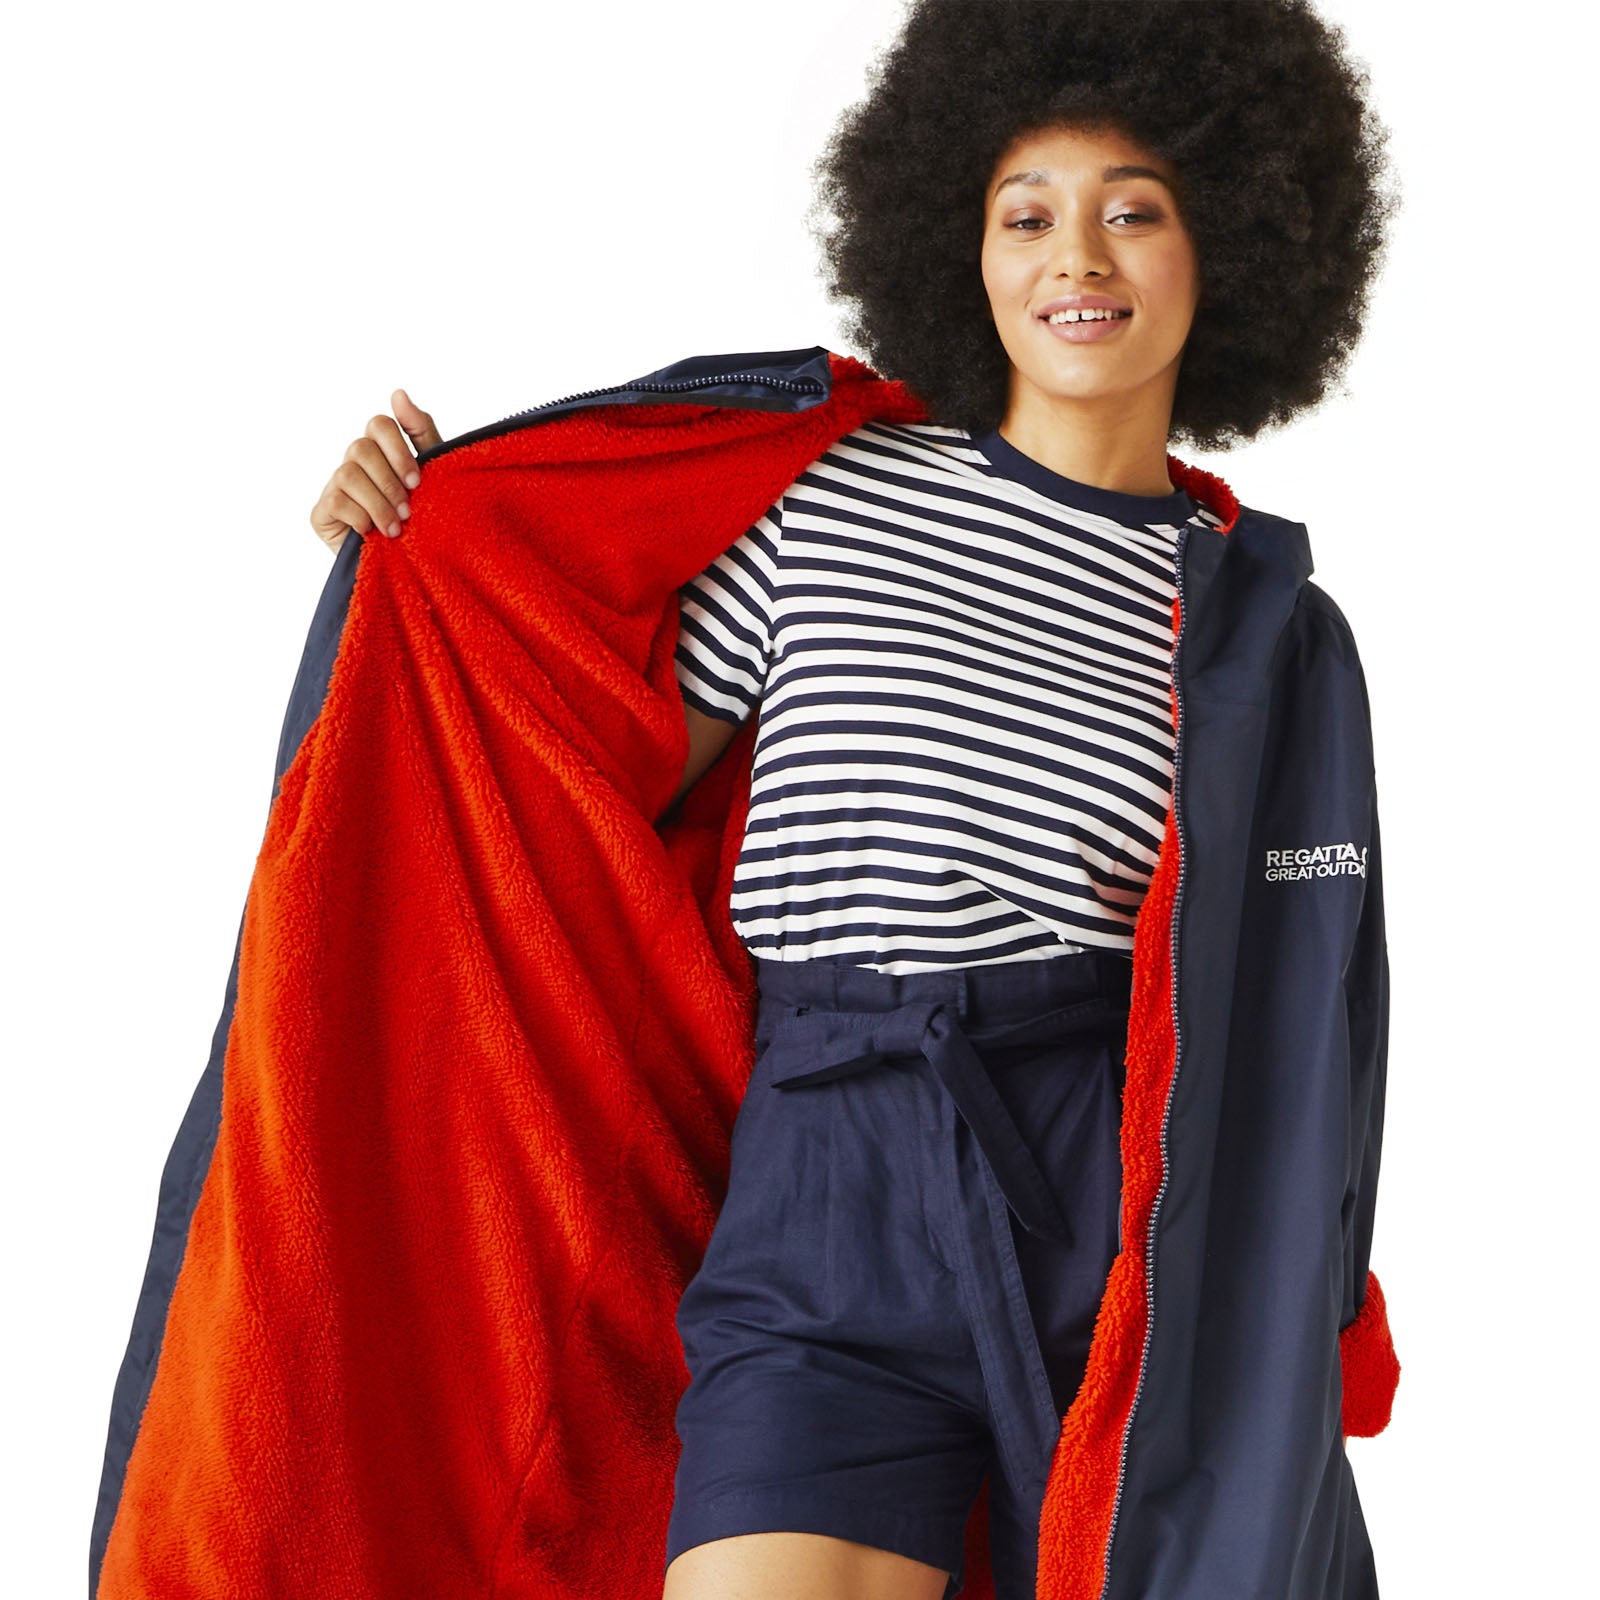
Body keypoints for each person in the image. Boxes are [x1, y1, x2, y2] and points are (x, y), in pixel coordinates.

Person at [305, 4, 1398, 1597]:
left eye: (1133, 210)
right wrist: (423, 556)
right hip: (823, 1172)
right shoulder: (826, 500)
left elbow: (1314, 1029)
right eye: (1027, 214)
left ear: (1224, 243)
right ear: (959, 241)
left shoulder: (1262, 635)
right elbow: (574, 773)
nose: (1076, 258)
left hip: (1105, 1214)